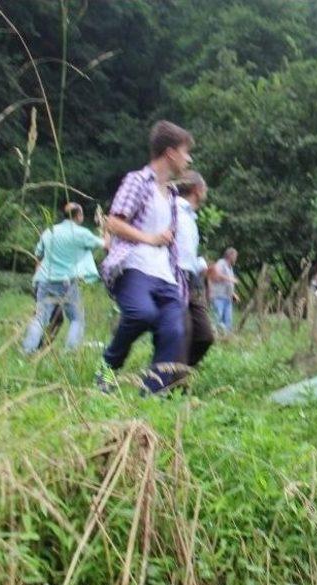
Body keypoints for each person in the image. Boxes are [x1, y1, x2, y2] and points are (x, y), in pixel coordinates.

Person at [99, 120, 193, 393]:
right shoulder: (137, 181)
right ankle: (106, 369)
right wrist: (150, 238)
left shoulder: (173, 195)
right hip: (134, 267)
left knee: (173, 332)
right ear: (170, 153)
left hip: (165, 274)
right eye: (185, 152)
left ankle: (152, 395)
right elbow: (114, 223)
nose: (188, 159)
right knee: (141, 314)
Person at [22, 202, 103, 353]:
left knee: (40, 318)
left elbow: (38, 254)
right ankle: (70, 352)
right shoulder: (81, 233)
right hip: (67, 282)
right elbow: (105, 245)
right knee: (76, 319)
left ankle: (27, 350)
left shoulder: (49, 231)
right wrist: (106, 229)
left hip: (45, 280)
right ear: (78, 216)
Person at [176, 170, 215, 366]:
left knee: (203, 336)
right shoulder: (173, 209)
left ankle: (175, 377)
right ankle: (104, 377)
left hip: (191, 279)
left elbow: (184, 250)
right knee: (180, 336)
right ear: (197, 189)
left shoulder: (190, 216)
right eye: (205, 188)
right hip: (175, 278)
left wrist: (199, 264)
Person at [209, 247, 239, 332]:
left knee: (228, 320)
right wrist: (230, 279)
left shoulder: (230, 267)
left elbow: (227, 283)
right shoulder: (221, 263)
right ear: (230, 256)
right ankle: (216, 336)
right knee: (217, 318)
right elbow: (215, 275)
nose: (236, 258)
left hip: (227, 297)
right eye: (235, 256)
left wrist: (233, 294)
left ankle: (227, 338)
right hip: (218, 296)